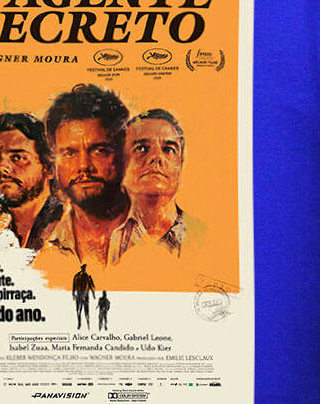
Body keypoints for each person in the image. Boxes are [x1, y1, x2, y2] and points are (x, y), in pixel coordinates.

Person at [41, 84, 130, 269]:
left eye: (99, 150)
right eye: (70, 153)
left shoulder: (160, 232)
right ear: (54, 164)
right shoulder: (42, 249)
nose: (83, 166)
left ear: (122, 153)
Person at [117, 108, 207, 256]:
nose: (156, 156)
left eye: (168, 149)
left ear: (180, 164)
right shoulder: (104, 239)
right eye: (141, 148)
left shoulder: (203, 238)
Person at [0, 112, 63, 250]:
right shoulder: (0, 245)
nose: (1, 168)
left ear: (49, 169)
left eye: (17, 157)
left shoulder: (69, 230)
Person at [71, 264, 96, 329]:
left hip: (85, 297)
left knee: (86, 312)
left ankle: (88, 325)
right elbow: (74, 285)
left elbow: (92, 286)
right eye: (83, 268)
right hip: (79, 296)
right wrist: (73, 294)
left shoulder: (88, 277)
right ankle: (79, 324)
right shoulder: (76, 276)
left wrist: (93, 294)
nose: (84, 270)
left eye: (84, 269)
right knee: (78, 311)